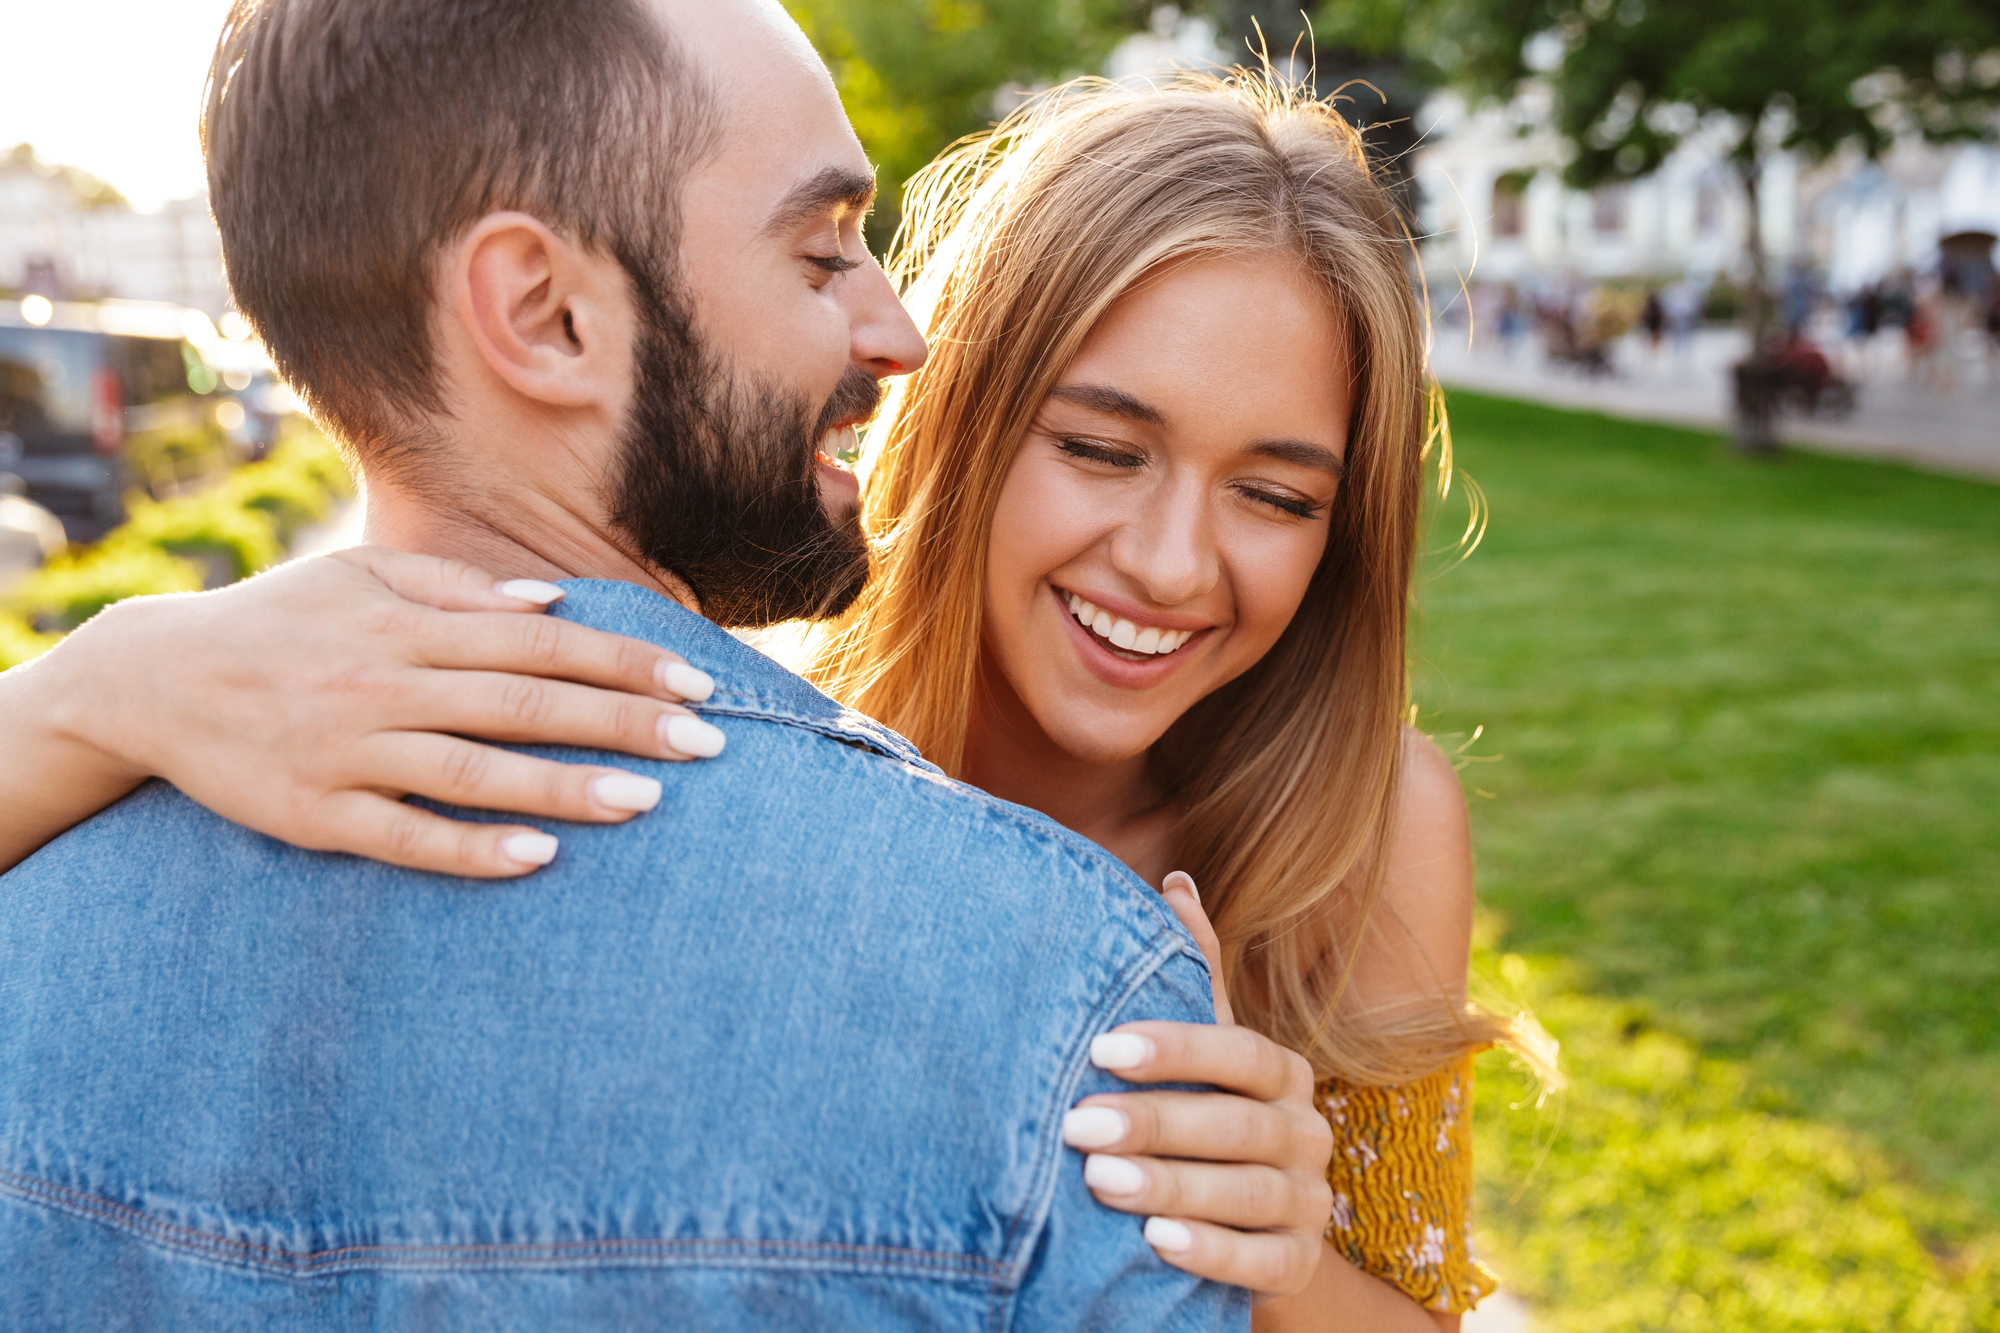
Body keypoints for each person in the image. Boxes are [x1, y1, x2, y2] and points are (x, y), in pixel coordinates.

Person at [0, 55, 1553, 1333]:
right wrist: (92, 683)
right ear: (966, 415)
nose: (1168, 561)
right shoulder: (748, 719)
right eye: (1098, 448)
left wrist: (1279, 1259)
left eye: (1277, 495)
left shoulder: (1372, 821)